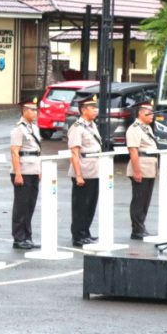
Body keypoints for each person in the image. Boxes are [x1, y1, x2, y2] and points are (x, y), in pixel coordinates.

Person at [68, 97, 102, 247]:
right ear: (83, 110)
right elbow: (74, 153)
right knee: (80, 205)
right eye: (92, 108)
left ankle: (85, 232)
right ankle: (78, 235)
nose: (95, 110)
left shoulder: (93, 125)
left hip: (94, 170)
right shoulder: (77, 128)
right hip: (83, 170)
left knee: (91, 205)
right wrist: (78, 175)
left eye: (95, 107)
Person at [10, 100, 42, 249]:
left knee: (30, 205)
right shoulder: (18, 129)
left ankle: (27, 236)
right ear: (24, 111)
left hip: (33, 169)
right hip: (23, 171)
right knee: (21, 206)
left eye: (36, 110)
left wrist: (39, 170)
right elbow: (15, 152)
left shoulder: (34, 128)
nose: (35, 112)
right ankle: (19, 238)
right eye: (32, 110)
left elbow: (37, 151)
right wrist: (18, 173)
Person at [126, 102, 158, 241]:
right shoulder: (134, 129)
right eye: (149, 113)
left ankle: (141, 226)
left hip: (150, 167)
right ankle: (137, 229)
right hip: (141, 166)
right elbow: (133, 151)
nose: (152, 115)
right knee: (139, 200)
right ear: (140, 113)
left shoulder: (146, 127)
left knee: (145, 200)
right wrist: (137, 171)